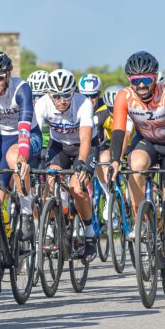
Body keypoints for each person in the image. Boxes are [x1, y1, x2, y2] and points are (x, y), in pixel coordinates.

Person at [108, 51, 165, 288]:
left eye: (146, 80)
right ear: (129, 80)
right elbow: (118, 131)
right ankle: (142, 221)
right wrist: (115, 160)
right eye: (136, 81)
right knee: (135, 165)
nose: (141, 86)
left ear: (155, 77)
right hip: (147, 144)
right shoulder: (124, 96)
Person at [0, 51, 42, 243]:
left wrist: (22, 157)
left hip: (27, 135)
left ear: (8, 75)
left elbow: (25, 128)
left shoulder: (21, 89)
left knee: (14, 158)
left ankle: (26, 212)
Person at [35, 69, 97, 259]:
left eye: (66, 95)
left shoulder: (83, 103)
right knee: (50, 180)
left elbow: (85, 139)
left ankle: (89, 234)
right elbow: (34, 135)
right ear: (49, 94)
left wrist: (81, 163)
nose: (61, 100)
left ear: (73, 92)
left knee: (77, 188)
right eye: (56, 96)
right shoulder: (42, 104)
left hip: (84, 147)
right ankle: (51, 229)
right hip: (59, 146)